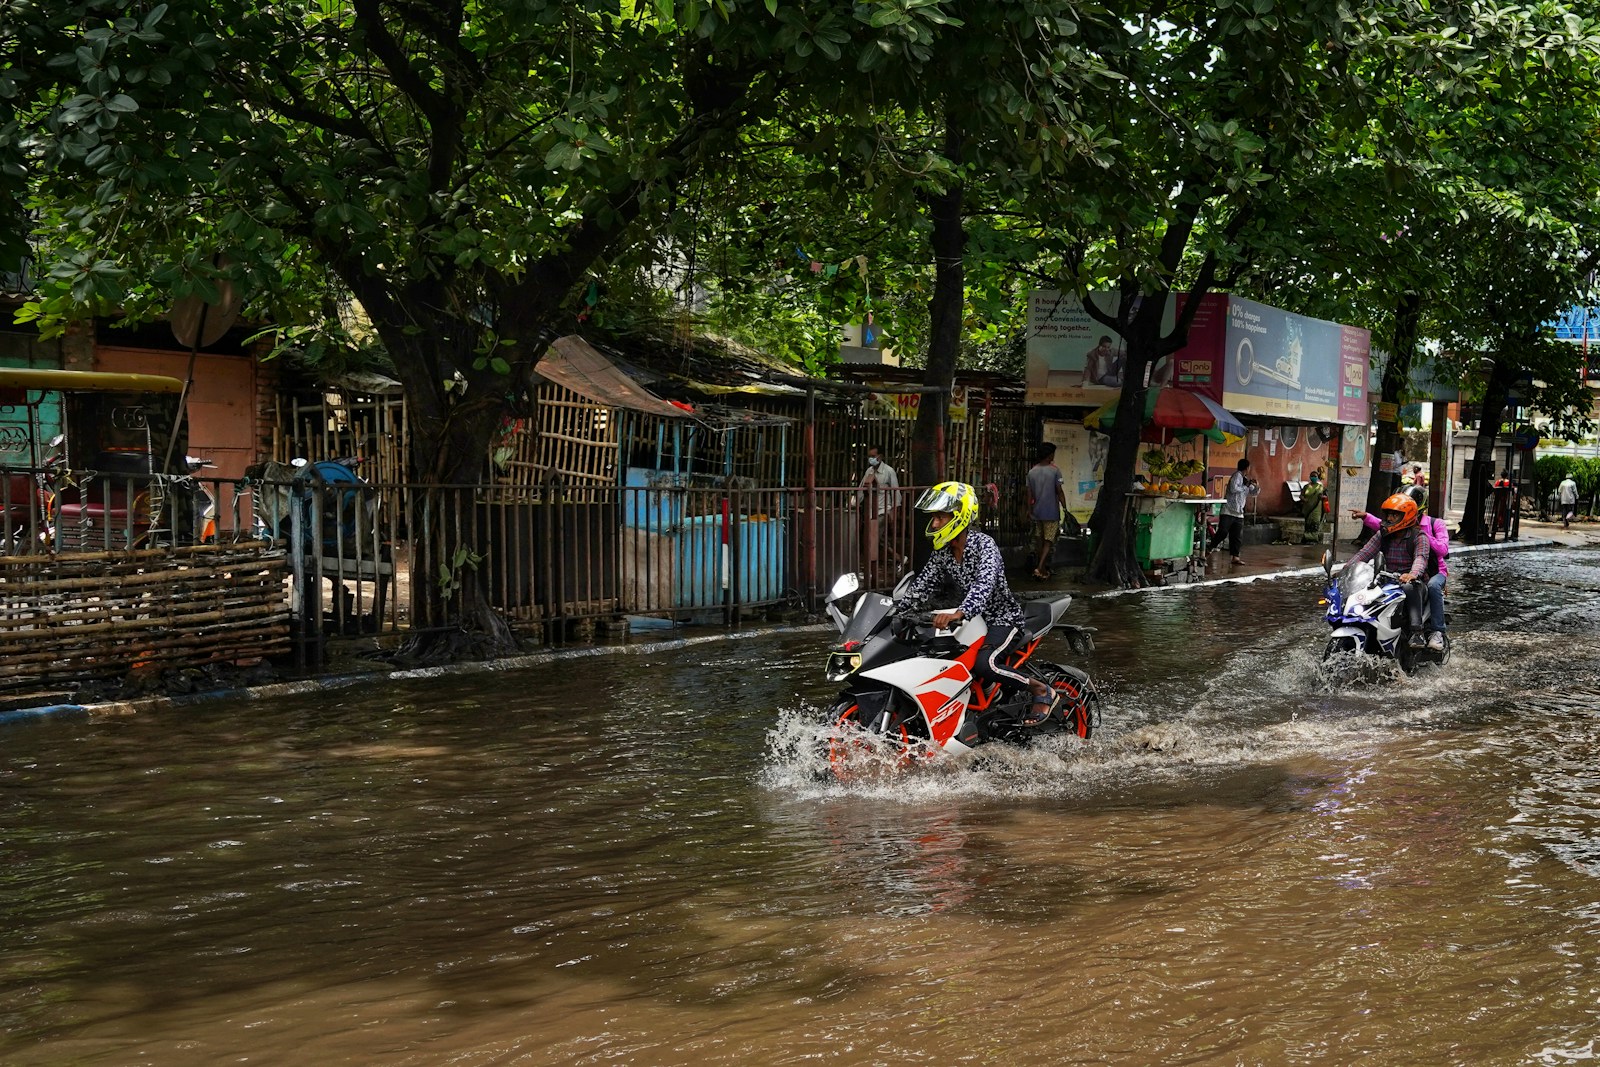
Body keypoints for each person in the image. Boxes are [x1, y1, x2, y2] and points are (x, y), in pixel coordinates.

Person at [894, 481, 1059, 726]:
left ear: (960, 516)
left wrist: (960, 612)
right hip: (972, 622)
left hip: (1002, 619)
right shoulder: (943, 552)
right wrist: (897, 611)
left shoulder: (984, 545)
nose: (935, 523)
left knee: (985, 664)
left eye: (941, 517)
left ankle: (1041, 690)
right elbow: (922, 586)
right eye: (935, 518)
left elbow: (984, 584)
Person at [1351, 485, 1448, 651]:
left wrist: (1412, 574)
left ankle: (1417, 631)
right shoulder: (1383, 534)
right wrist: (1346, 570)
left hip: (1416, 579)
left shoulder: (1422, 534)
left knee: (1414, 586)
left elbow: (1421, 558)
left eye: (1394, 514)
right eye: (1388, 514)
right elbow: (1364, 553)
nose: (1389, 518)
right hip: (1389, 578)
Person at [847, 444, 900, 584]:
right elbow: (861, 490)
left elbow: (896, 493)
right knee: (878, 540)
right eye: (869, 456)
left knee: (872, 540)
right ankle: (900, 559)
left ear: (880, 457)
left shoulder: (889, 471)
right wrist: (852, 505)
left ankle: (871, 572)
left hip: (883, 511)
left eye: (873, 456)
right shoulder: (869, 471)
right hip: (870, 512)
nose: (871, 459)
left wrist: (893, 512)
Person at [1026, 443, 1068, 580]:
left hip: (1037, 512)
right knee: (1048, 541)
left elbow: (1029, 494)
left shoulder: (1032, 472)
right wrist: (1065, 507)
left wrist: (1029, 510)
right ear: (1049, 455)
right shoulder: (1055, 471)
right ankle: (1039, 568)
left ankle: (1041, 567)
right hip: (1051, 512)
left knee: (1039, 539)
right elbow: (1059, 491)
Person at [1206, 459, 1258, 564]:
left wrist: (1256, 486)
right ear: (1247, 468)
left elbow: (1253, 492)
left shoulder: (1245, 479)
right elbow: (1233, 488)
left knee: (1236, 536)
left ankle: (1235, 557)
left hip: (1239, 512)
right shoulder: (1236, 476)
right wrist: (1246, 486)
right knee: (1223, 532)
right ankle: (1209, 549)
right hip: (1228, 510)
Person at [1301, 469, 1326, 537]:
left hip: (1317, 507)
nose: (1313, 477)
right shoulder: (1306, 487)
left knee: (1315, 522)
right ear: (1310, 477)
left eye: (1315, 476)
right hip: (1308, 507)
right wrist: (1304, 499)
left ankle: (1314, 538)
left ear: (1317, 477)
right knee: (1308, 523)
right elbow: (1301, 496)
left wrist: (1322, 497)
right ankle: (1307, 537)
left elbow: (1324, 496)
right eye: (1312, 476)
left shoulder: (1320, 487)